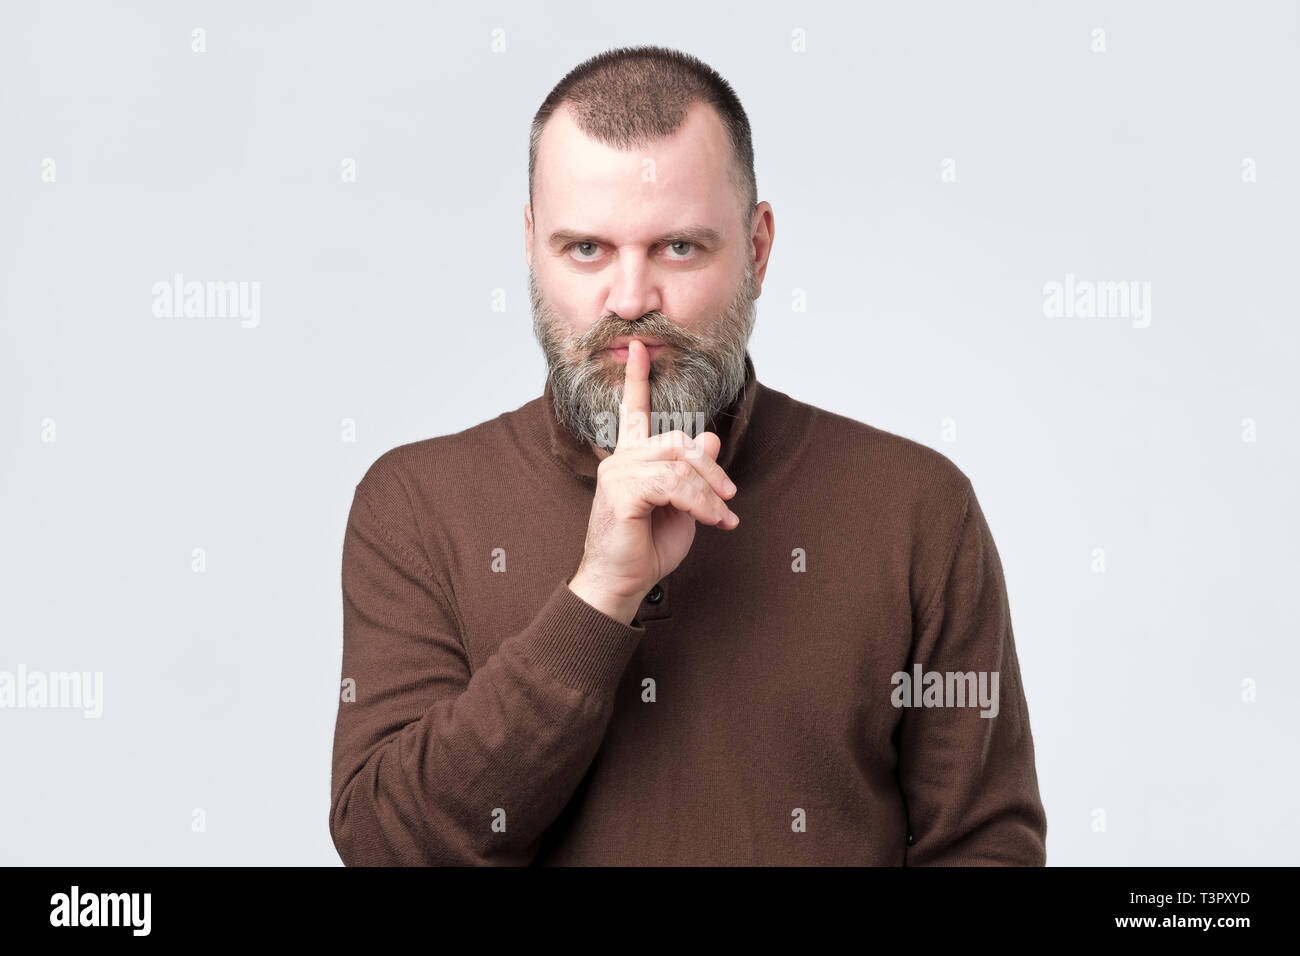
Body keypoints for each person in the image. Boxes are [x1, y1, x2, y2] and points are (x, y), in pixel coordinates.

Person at [329, 44, 1048, 866]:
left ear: (759, 248)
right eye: (586, 249)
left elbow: (986, 847)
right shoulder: (415, 505)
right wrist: (601, 593)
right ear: (532, 249)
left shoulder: (917, 506)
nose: (631, 301)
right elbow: (387, 847)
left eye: (677, 248)